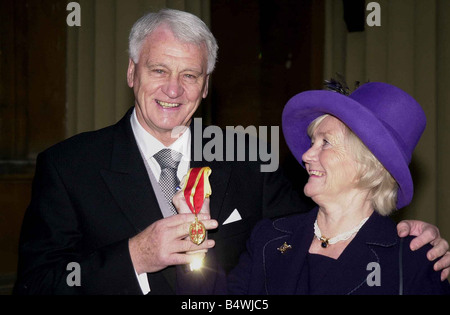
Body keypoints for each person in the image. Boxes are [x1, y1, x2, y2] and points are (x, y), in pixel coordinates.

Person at [13, 9, 449, 295]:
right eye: (159, 70)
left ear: (205, 86)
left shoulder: (246, 160)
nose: (172, 89)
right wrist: (135, 257)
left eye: (189, 75)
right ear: (132, 71)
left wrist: (409, 233)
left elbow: (334, 212)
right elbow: (35, 287)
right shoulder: (70, 166)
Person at [227, 82, 450, 294]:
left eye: (325, 143)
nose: (306, 155)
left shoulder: (411, 260)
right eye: (313, 141)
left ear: (368, 164)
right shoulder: (267, 238)